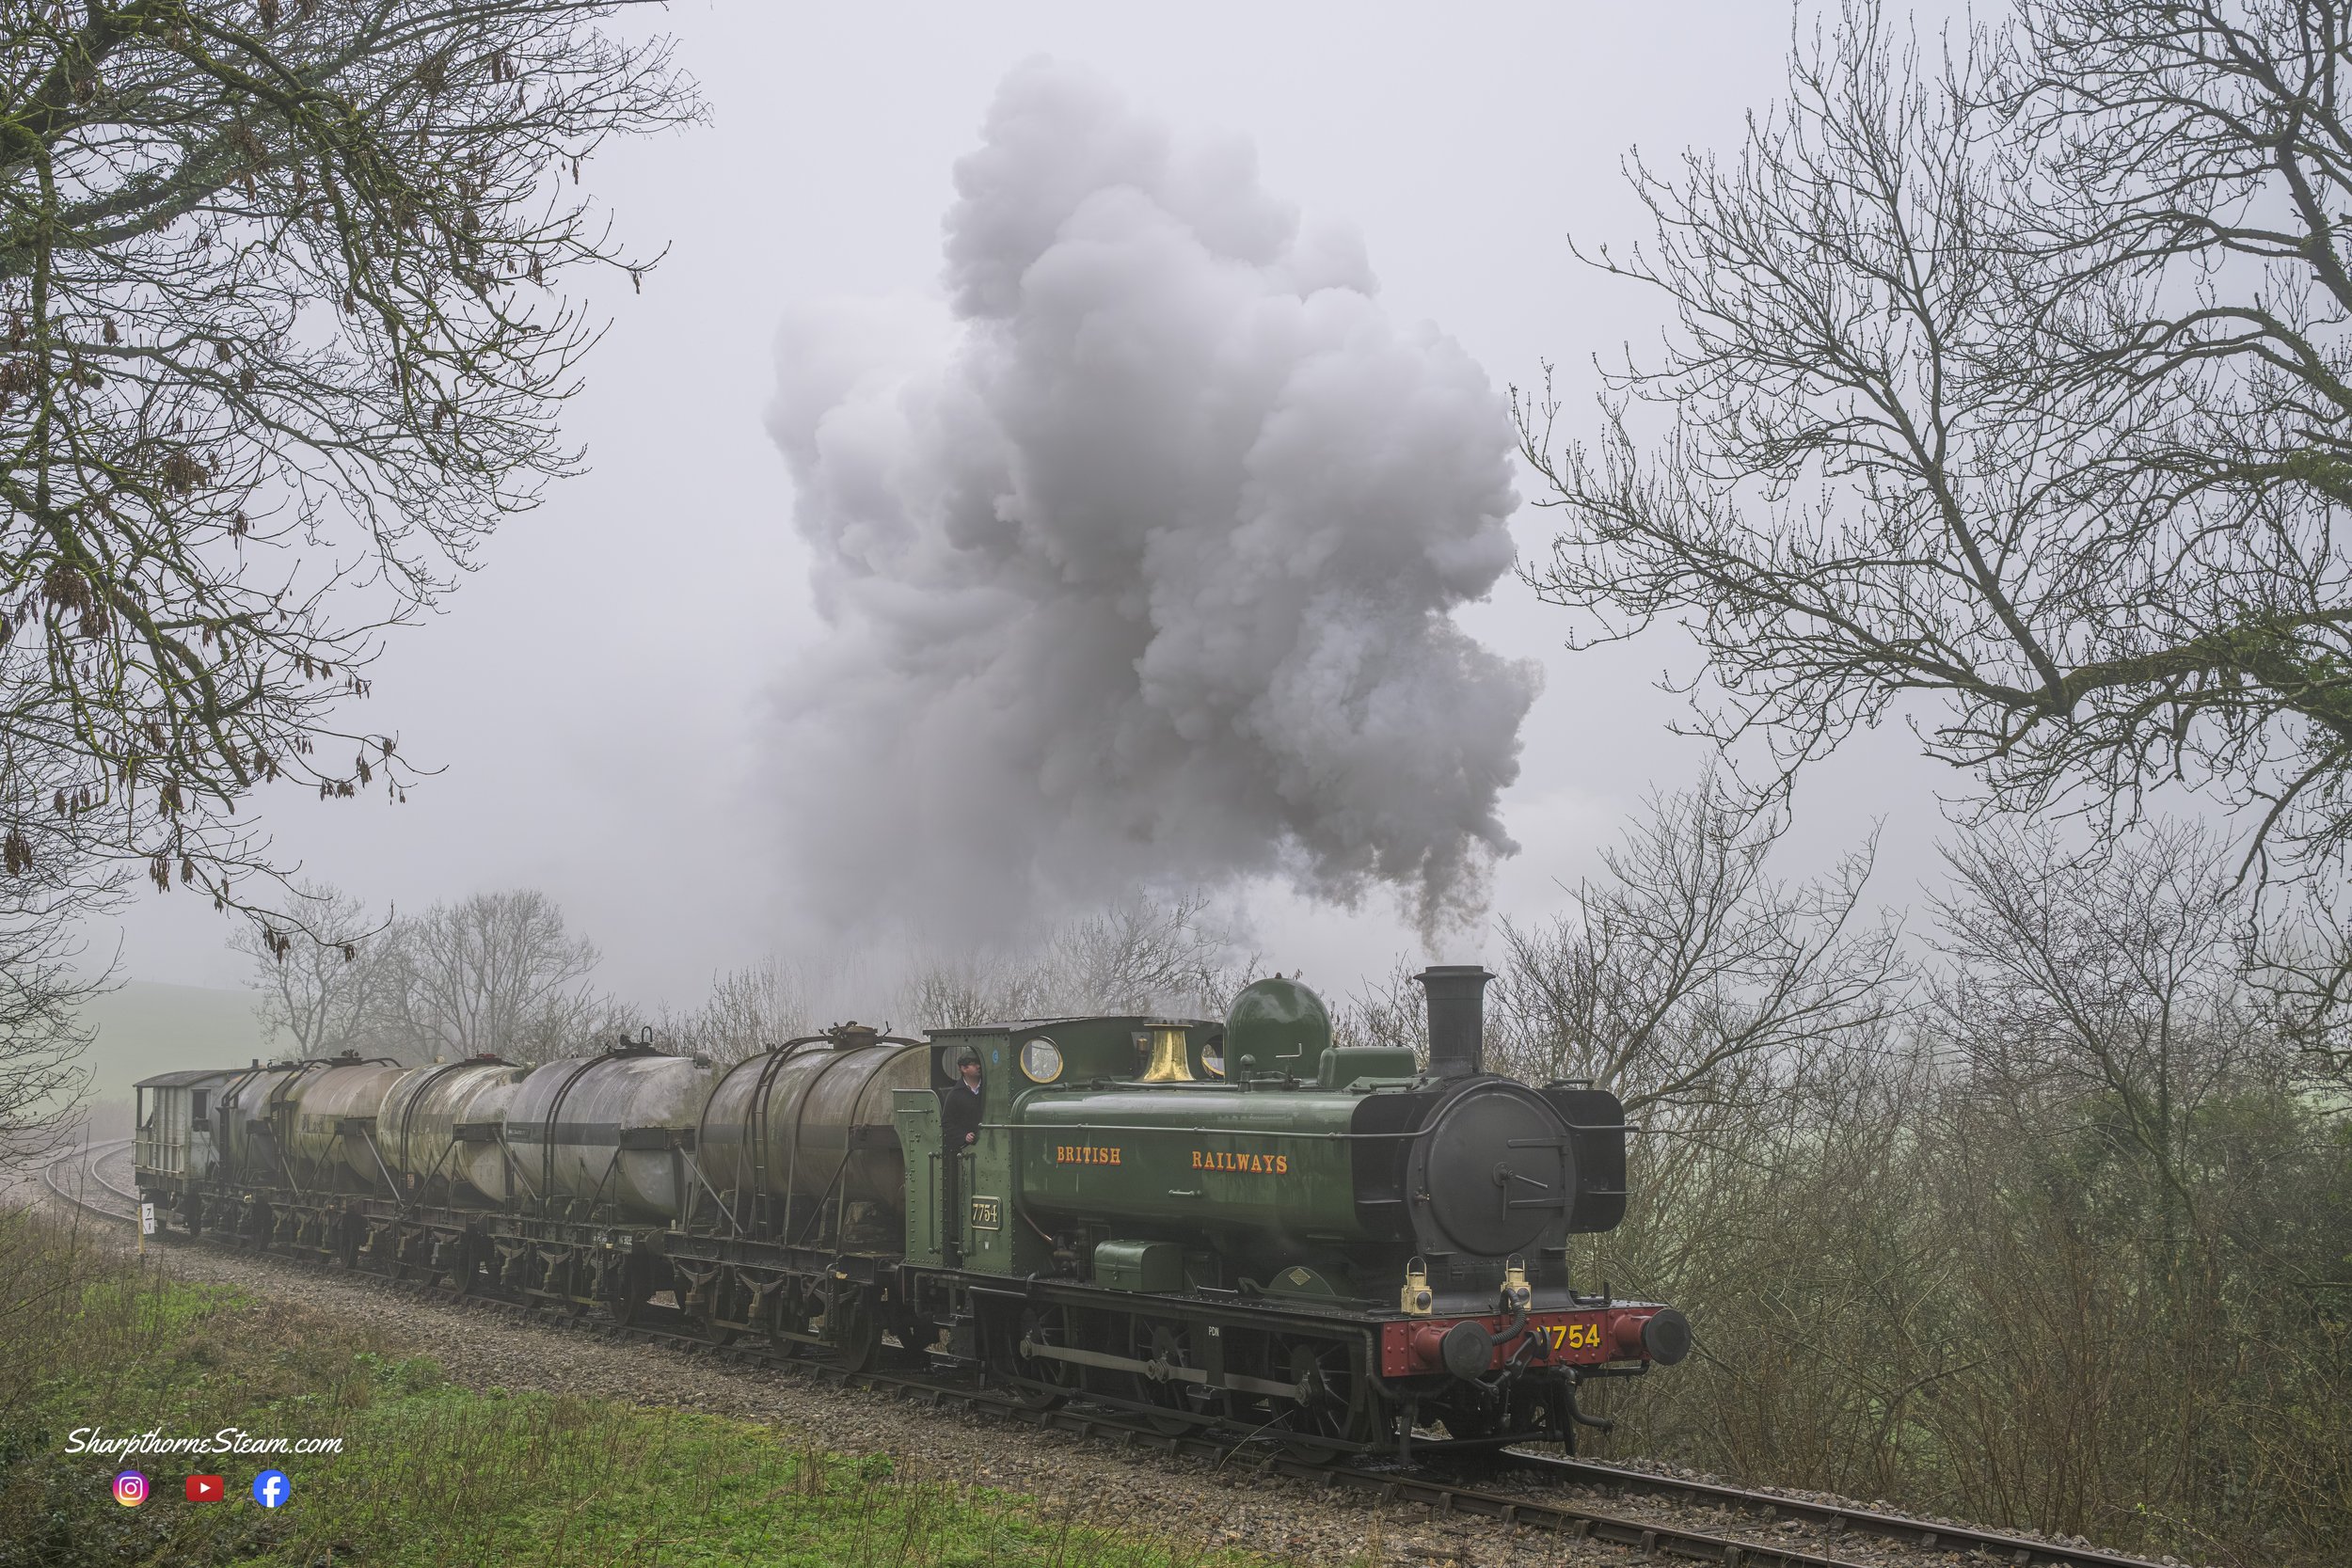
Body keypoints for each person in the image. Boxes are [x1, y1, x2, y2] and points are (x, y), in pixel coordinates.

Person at [940, 1050, 985, 1149]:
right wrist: (964, 1136)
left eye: (979, 1063)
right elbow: (947, 1123)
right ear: (964, 1068)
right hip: (968, 1148)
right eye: (974, 1064)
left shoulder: (988, 1088)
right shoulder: (955, 1095)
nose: (978, 1066)